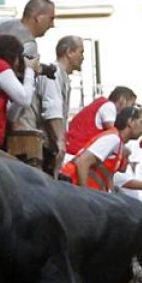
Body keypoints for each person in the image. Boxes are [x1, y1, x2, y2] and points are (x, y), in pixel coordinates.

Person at [61, 104, 142, 191]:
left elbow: (108, 176)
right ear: (130, 122)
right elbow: (82, 162)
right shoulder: (113, 139)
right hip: (71, 186)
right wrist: (86, 196)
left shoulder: (118, 142)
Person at [41, 34, 85, 176]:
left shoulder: (62, 76)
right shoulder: (52, 73)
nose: (83, 57)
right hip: (44, 145)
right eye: (81, 52)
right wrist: (60, 141)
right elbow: (52, 108)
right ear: (69, 53)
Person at [65, 86, 138, 156]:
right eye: (132, 104)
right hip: (75, 151)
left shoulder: (101, 103)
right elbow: (113, 135)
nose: (131, 109)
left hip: (74, 150)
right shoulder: (109, 106)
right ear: (122, 100)